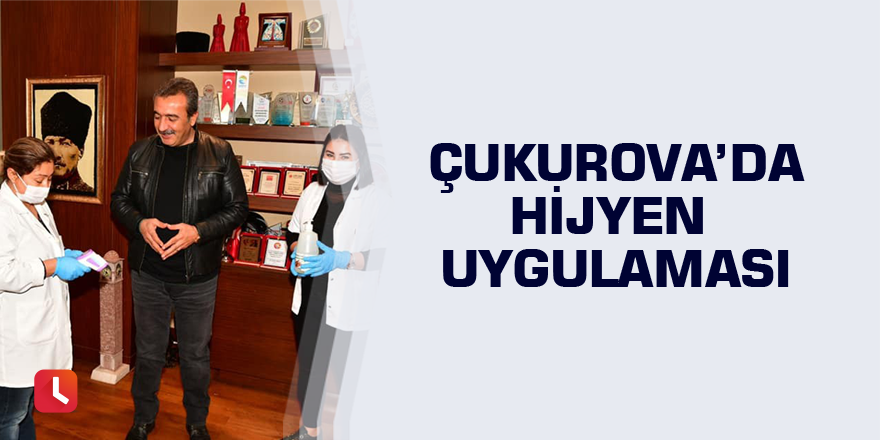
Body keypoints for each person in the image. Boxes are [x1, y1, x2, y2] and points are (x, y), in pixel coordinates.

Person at [111, 77, 248, 440]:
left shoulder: (219, 152)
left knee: (195, 354)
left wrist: (198, 231)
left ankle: (197, 422)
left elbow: (238, 208)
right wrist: (139, 223)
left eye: (172, 117)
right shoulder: (139, 152)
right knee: (148, 352)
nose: (163, 126)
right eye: (157, 116)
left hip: (197, 277)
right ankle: (143, 419)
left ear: (193, 116)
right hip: (148, 273)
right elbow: (119, 201)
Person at [282, 125, 386, 440]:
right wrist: (296, 252)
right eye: (330, 154)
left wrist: (343, 259)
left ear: (360, 159)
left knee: (351, 381)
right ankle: (310, 432)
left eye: (344, 156)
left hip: (350, 305)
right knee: (310, 373)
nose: (335, 162)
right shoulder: (312, 192)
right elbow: (293, 231)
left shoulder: (376, 199)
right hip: (310, 301)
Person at [0, 137, 91, 440]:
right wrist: (52, 265)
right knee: (9, 417)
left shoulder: (37, 204)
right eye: (39, 179)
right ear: (13, 174)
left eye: (50, 178)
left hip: (40, 328)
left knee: (27, 411)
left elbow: (38, 247)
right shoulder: (3, 212)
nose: (46, 186)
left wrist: (63, 254)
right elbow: (3, 272)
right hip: (15, 338)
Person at [40, 92, 94, 193]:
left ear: (81, 151)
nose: (56, 154)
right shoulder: (34, 192)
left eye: (65, 144)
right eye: (50, 142)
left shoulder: (89, 194)